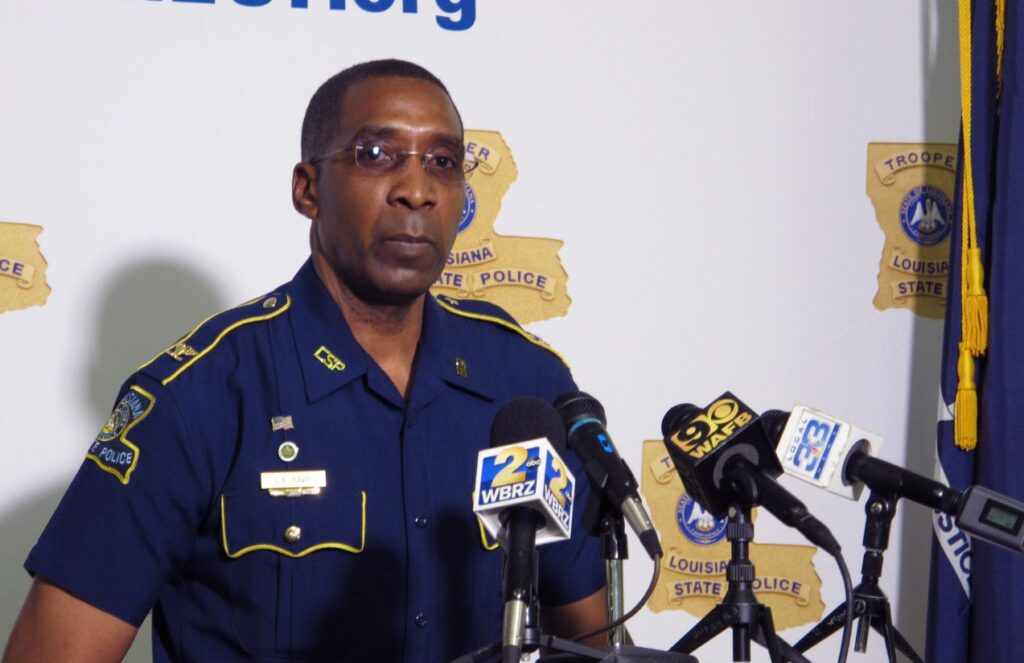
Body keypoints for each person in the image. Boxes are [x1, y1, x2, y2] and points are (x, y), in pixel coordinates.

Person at [2, 59, 607, 662]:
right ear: (307, 189)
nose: (417, 190)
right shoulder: (196, 396)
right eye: (377, 154)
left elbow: (592, 645)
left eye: (443, 163)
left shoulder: (527, 384)